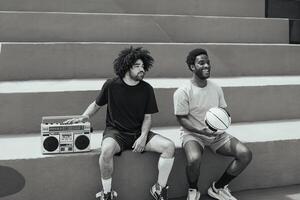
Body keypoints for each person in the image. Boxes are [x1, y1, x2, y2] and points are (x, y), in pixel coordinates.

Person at [65, 46, 175, 200]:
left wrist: (143, 136)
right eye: (137, 66)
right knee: (106, 151)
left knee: (169, 147)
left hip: (138, 132)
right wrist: (83, 117)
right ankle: (107, 193)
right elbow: (96, 105)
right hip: (116, 133)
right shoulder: (111, 85)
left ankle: (159, 189)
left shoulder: (147, 89)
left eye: (143, 66)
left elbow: (148, 118)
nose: (141, 69)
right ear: (126, 67)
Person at [173, 48, 252, 200]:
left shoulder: (216, 88)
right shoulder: (182, 91)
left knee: (245, 154)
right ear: (192, 67)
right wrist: (201, 131)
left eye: (208, 62)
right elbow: (181, 119)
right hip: (194, 134)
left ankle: (218, 187)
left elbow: (222, 111)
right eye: (201, 63)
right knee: (194, 159)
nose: (207, 66)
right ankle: (193, 190)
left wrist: (224, 121)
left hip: (217, 135)